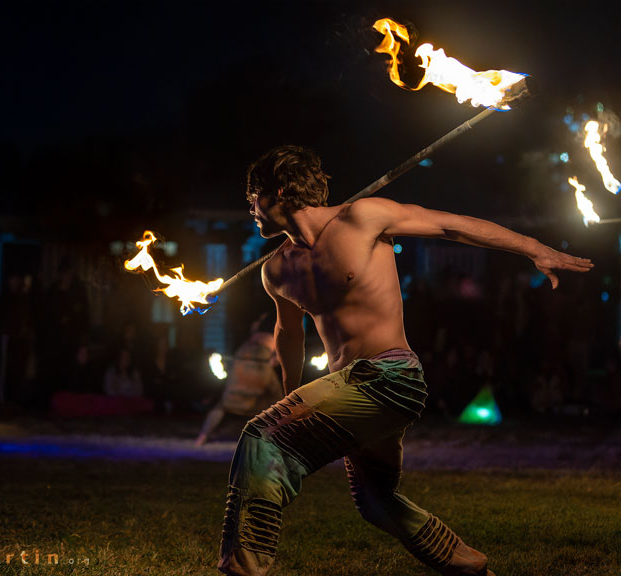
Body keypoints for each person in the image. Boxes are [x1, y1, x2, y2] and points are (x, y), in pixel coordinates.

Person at [217, 145, 593, 576]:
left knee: (260, 437)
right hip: (347, 392)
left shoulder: (362, 217)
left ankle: (242, 569)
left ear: (279, 191)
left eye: (253, 197)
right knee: (376, 502)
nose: (250, 208)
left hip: (389, 377)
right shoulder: (277, 270)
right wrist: (293, 403)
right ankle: (472, 568)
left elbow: (450, 226)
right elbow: (288, 335)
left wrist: (533, 248)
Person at [195, 322, 282, 446]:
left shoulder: (256, 335)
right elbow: (276, 359)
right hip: (257, 366)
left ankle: (202, 437)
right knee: (278, 403)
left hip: (244, 363)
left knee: (223, 405)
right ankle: (275, 439)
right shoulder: (273, 335)